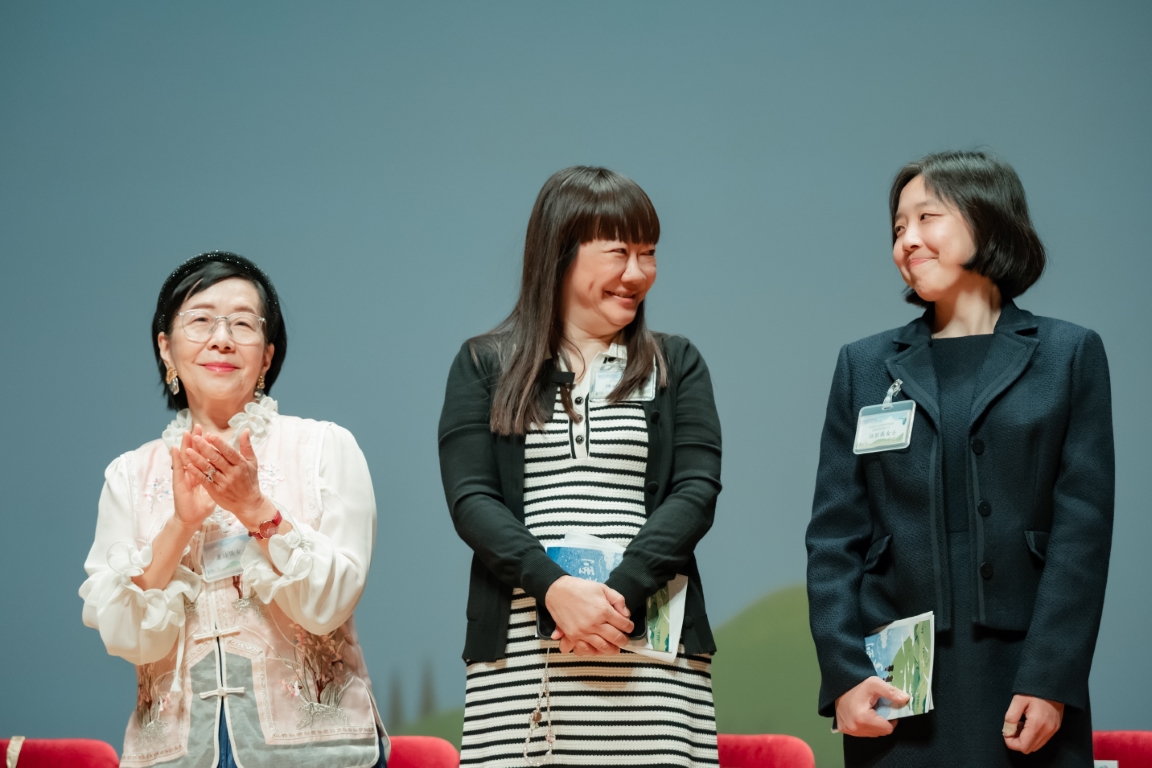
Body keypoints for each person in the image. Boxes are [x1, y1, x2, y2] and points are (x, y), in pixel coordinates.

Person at [806, 151, 1114, 766]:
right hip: (895, 686)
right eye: (898, 227)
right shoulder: (864, 366)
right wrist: (845, 673)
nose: (907, 240)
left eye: (927, 218)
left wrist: (1051, 678)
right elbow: (834, 538)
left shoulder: (1069, 354)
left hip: (1025, 677)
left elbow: (1081, 535)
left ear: (987, 219)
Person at [438, 167, 723, 766]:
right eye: (619, 252)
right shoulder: (485, 364)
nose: (638, 273)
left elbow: (695, 492)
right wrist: (555, 590)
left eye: (648, 253)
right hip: (523, 661)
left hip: (650, 657)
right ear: (560, 253)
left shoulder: (676, 364)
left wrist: (618, 595)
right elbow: (472, 500)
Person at [80, 252, 388, 768]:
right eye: (200, 320)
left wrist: (254, 507)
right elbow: (127, 636)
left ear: (266, 356)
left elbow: (328, 604)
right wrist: (181, 524)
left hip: (315, 754)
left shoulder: (324, 449)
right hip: (173, 756)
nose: (221, 338)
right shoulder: (129, 475)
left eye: (242, 324)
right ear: (166, 347)